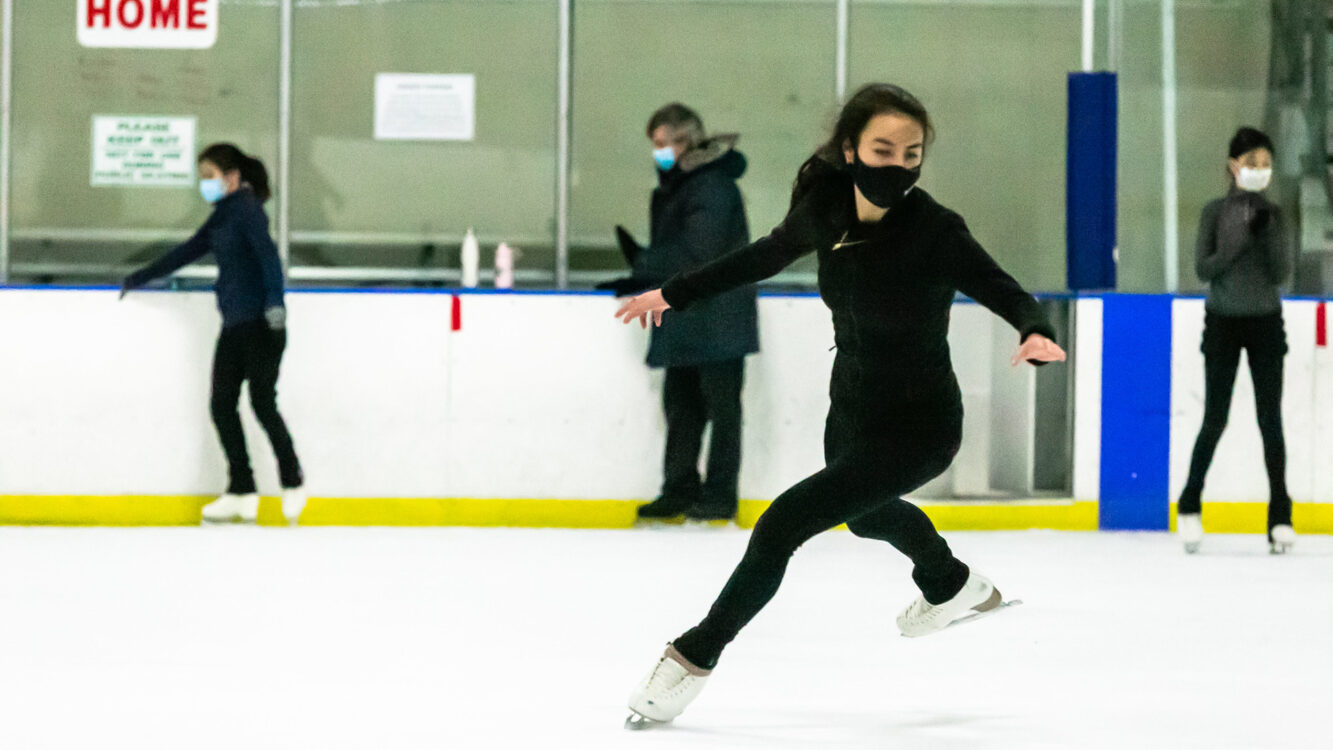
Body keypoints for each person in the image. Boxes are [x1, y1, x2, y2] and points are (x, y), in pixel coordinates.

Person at [612, 83, 1066, 728]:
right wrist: (673, 293)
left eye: (911, 154)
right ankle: (949, 582)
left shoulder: (935, 230)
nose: (898, 165)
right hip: (851, 407)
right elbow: (765, 255)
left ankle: (691, 658)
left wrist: (1034, 329)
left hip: (921, 424)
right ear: (850, 149)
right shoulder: (825, 208)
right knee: (865, 517)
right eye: (883, 150)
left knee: (782, 525)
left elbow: (1003, 288)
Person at [120, 143, 306, 526]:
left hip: (262, 324)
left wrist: (276, 304)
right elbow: (189, 250)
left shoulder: (248, 211)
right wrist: (140, 276)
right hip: (235, 325)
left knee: (261, 403)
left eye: (210, 176)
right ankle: (242, 489)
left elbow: (268, 257)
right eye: (202, 177)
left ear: (232, 177)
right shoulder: (223, 215)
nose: (204, 184)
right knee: (222, 405)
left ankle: (292, 480)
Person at [599, 104, 758, 522]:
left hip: (718, 317)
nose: (659, 154)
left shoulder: (712, 186)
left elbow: (699, 253)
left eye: (662, 144)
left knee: (722, 411)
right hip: (687, 314)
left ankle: (719, 496)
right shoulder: (680, 186)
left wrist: (644, 263)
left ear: (684, 141)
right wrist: (639, 276)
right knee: (681, 408)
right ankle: (679, 490)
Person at [1176, 127, 1295, 555]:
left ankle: (1280, 516)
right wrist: (1240, 239)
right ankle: (1190, 502)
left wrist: (1267, 235)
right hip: (1223, 323)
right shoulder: (1214, 212)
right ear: (1233, 165)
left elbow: (1280, 272)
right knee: (1215, 417)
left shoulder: (1275, 214)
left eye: (1265, 165)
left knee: (1270, 420)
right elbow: (1204, 268)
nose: (1259, 171)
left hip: (1265, 323)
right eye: (1251, 163)